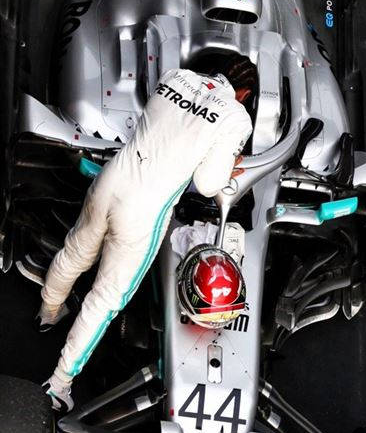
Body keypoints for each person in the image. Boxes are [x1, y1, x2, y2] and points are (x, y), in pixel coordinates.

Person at [40, 52, 257, 412]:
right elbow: (206, 184)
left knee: (75, 252)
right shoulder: (236, 116)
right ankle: (58, 384)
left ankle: (48, 312)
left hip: (110, 181)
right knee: (106, 300)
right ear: (245, 93)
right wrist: (229, 166)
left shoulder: (175, 76)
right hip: (142, 211)